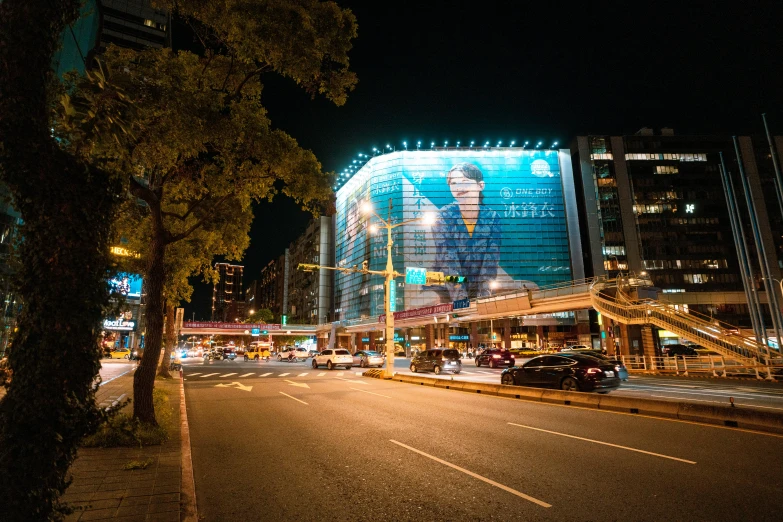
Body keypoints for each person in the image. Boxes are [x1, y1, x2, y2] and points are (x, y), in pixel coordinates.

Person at [431, 163, 501, 301]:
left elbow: (491, 262)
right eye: (454, 183)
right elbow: (449, 261)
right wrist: (461, 300)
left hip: (476, 284)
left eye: (465, 182)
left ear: (480, 186)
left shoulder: (492, 218)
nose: (459, 187)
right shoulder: (443, 216)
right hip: (446, 283)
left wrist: (484, 297)